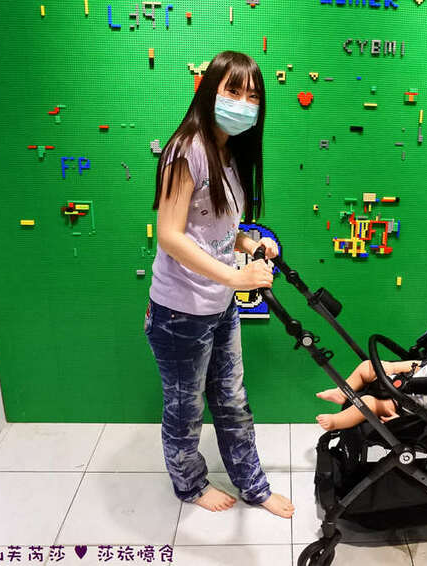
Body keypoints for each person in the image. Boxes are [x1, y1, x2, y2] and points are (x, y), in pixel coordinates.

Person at [144, 50, 294, 518]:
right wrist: (235, 275)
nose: (243, 103)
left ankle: (254, 486)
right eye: (233, 90)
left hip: (220, 305)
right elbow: (170, 235)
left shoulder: (230, 152)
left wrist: (248, 242)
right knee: (185, 408)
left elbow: (211, 228)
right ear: (210, 90)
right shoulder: (185, 150)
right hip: (179, 313)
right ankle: (189, 486)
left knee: (232, 401)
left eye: (253, 95)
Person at [315, 330, 427, 431]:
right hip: (396, 381)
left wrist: (400, 421)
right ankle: (341, 393)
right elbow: (414, 365)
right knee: (367, 366)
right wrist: (391, 367)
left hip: (400, 405)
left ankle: (336, 422)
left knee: (367, 403)